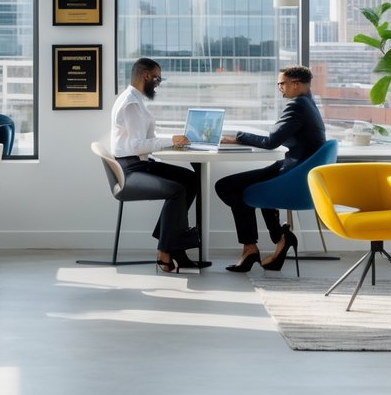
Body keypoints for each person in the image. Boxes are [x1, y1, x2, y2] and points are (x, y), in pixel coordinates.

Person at [214, 65, 325, 273]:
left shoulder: (297, 106)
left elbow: (272, 141)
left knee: (226, 186)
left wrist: (237, 137)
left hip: (292, 173)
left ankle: (252, 247)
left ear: (296, 84)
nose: (279, 88)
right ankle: (278, 238)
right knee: (244, 189)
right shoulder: (309, 103)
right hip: (296, 169)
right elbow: (277, 137)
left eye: (281, 83)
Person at [110, 57, 201, 273]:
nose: (158, 83)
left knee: (190, 179)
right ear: (146, 76)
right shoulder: (131, 103)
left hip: (139, 162)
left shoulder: (135, 98)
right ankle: (165, 251)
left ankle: (173, 244)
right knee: (177, 190)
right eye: (157, 79)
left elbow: (144, 140)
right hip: (130, 169)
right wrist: (171, 141)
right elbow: (136, 145)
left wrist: (173, 141)